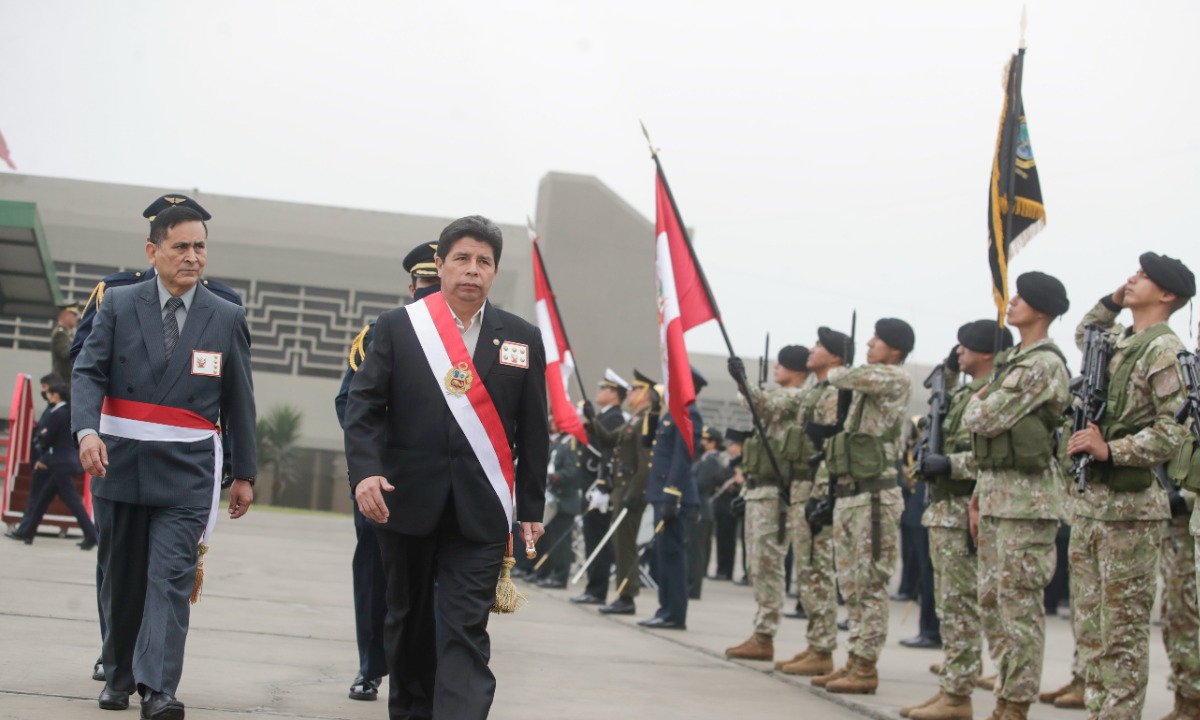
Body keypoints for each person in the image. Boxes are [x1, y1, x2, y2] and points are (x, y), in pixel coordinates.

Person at [343, 215, 548, 720]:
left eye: (484, 262)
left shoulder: (520, 338)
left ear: (495, 271)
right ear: (440, 265)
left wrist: (531, 508)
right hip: (406, 504)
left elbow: (534, 430)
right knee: (408, 623)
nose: (472, 271)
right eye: (462, 259)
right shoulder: (397, 327)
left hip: (480, 512)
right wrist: (365, 472)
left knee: (464, 627)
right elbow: (363, 409)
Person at [73, 203, 257, 718]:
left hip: (187, 473)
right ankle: (119, 674)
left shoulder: (225, 316)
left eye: (200, 247)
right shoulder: (117, 303)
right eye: (181, 247)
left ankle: (158, 689)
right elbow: (87, 372)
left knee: (171, 580)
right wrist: (87, 431)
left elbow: (239, 399)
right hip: (119, 462)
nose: (192, 257)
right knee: (121, 578)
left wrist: (243, 473)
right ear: (153, 251)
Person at [1064, 254, 1193, 720]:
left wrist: (1111, 450)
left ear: (1168, 295)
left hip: (1131, 513)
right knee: (1093, 633)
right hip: (1093, 507)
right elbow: (1084, 333)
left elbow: (1176, 429)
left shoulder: (1164, 350)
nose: (1132, 277)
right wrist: (1112, 301)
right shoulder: (1119, 339)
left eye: (1144, 276)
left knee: (1121, 638)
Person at [334, 240, 440, 702]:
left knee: (437, 586)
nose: (429, 294)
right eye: (424, 286)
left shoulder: (473, 338)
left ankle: (426, 673)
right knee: (375, 578)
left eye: (435, 286)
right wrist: (373, 464)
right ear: (410, 285)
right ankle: (371, 667)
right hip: (383, 482)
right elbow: (351, 403)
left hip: (441, 484)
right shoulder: (382, 331)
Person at [964, 271, 1071, 720]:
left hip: (1028, 505)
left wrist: (980, 400)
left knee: (1019, 608)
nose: (1013, 302)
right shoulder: (1014, 359)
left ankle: (1015, 705)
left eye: (1022, 298)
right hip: (996, 497)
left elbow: (982, 417)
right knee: (992, 604)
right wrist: (977, 495)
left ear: (1042, 310)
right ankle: (1004, 696)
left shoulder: (1042, 364)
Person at [903, 320, 1011, 720]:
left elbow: (992, 455)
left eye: (964, 346)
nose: (957, 352)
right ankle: (954, 689)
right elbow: (941, 390)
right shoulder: (964, 391)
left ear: (985, 352)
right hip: (945, 509)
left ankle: (962, 693)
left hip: (969, 509)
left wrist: (949, 463)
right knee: (950, 606)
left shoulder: (994, 393)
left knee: (965, 607)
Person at [813, 318, 914, 695]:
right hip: (852, 495)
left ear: (896, 351)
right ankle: (854, 659)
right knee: (852, 584)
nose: (871, 343)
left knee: (870, 583)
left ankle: (866, 666)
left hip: (875, 497)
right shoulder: (867, 380)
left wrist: (843, 363)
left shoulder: (894, 378)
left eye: (879, 340)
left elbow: (840, 376)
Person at [725, 345, 810, 661]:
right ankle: (761, 630)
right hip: (759, 489)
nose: (777, 368)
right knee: (756, 564)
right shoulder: (780, 398)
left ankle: (765, 634)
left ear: (798, 370)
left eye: (783, 364)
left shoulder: (796, 397)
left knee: (767, 563)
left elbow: (765, 405)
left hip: (776, 493)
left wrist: (743, 382)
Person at [776, 329, 848, 676]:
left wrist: (822, 494)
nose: (811, 349)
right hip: (804, 486)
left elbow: (829, 447)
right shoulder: (815, 391)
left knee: (818, 568)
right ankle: (815, 643)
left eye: (819, 346)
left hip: (819, 489)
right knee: (806, 569)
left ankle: (823, 648)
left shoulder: (834, 391)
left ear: (834, 357)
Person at [637, 368, 705, 630]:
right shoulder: (671, 414)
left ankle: (675, 614)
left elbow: (683, 455)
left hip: (674, 496)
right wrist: (654, 412)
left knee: (673, 555)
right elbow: (648, 444)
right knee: (664, 555)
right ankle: (665, 609)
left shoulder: (689, 413)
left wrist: (672, 493)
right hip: (663, 493)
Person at [590, 369, 659, 614]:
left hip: (631, 491)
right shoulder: (634, 418)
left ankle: (627, 596)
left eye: (634, 389)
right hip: (621, 489)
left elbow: (645, 462)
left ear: (645, 394)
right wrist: (592, 419)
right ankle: (623, 594)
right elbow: (609, 440)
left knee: (626, 545)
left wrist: (635, 492)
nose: (628, 393)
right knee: (620, 544)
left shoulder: (647, 419)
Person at [6, 382, 97, 548]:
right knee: (43, 499)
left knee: (72, 502)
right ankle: (28, 531)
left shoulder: (58, 413)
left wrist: (42, 451)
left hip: (59, 464)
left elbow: (47, 438)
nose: (46, 396)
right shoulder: (67, 412)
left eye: (49, 393)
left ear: (55, 395)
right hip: (63, 463)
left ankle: (92, 535)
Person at [572, 371, 629, 605]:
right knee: (592, 537)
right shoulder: (605, 416)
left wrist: (603, 485)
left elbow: (607, 451)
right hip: (591, 485)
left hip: (599, 486)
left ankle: (597, 590)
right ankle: (593, 588)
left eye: (603, 388)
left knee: (598, 540)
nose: (598, 391)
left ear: (614, 394)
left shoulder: (614, 418)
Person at [689, 426, 729, 599]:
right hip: (698, 509)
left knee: (696, 553)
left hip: (701, 510)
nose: (701, 442)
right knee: (692, 550)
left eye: (705, 440)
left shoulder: (711, 461)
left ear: (712, 443)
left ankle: (692, 588)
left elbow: (700, 485)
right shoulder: (704, 459)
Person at [710, 429, 747, 581]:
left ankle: (731, 570)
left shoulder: (743, 462)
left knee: (733, 540)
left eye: (733, 445)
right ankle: (722, 569)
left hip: (736, 505)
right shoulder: (730, 461)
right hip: (723, 505)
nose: (730, 448)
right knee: (722, 539)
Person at [50, 302, 78, 387]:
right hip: (62, 381)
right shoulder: (60, 333)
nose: (76, 318)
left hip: (66, 381)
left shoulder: (68, 334)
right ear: (66, 315)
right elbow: (66, 354)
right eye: (74, 315)